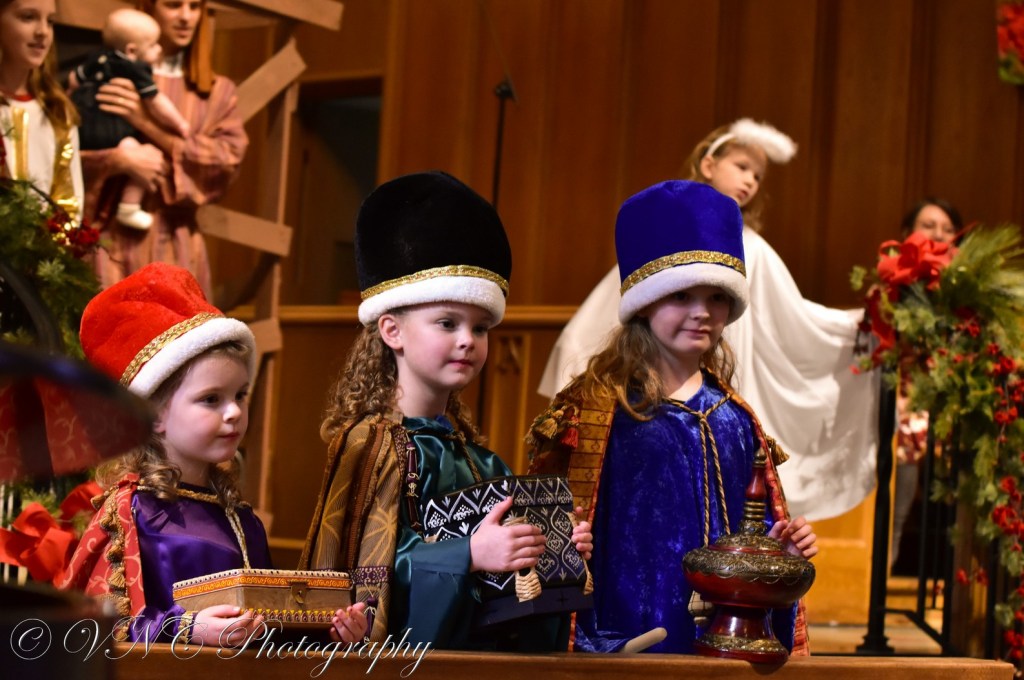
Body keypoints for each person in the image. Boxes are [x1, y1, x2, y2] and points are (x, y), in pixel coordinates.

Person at [299, 171, 593, 650]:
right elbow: (364, 579)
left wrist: (554, 554)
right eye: (447, 322)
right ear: (392, 330)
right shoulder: (370, 449)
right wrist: (468, 555)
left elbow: (508, 603)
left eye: (480, 328)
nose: (467, 340)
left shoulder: (480, 460)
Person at [527, 180, 818, 654]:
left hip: (723, 641)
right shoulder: (597, 410)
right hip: (626, 637)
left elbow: (754, 532)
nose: (702, 313)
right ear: (645, 303)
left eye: (716, 297)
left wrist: (780, 550)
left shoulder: (736, 419)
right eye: (681, 296)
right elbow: (554, 529)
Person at [538, 118, 878, 521]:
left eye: (758, 175)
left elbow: (798, 319)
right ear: (708, 163)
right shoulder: (663, 236)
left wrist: (865, 321)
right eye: (742, 166)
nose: (750, 180)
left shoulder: (754, 252)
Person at [59, 262, 367, 646]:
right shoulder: (129, 514)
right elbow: (93, 629)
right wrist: (185, 628)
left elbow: (266, 633)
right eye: (211, 399)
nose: (234, 411)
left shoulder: (241, 520)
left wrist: (330, 632)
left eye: (240, 395)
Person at [83, 0, 248, 298]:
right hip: (110, 239)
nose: (186, 17)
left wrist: (145, 123)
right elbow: (69, 146)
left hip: (176, 244)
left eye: (194, 6)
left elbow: (226, 162)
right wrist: (117, 160)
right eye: (173, 4)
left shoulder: (216, 91)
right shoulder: (112, 74)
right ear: (149, 7)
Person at [71, 8, 192, 231]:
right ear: (132, 50)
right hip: (112, 133)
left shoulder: (97, 57)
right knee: (145, 155)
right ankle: (129, 207)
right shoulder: (135, 69)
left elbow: (73, 80)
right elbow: (157, 102)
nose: (159, 49)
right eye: (153, 45)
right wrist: (180, 124)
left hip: (83, 128)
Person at [890, 198, 962, 568]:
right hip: (903, 399)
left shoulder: (967, 287)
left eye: (948, 229)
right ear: (908, 233)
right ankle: (885, 563)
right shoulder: (891, 280)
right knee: (903, 433)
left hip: (952, 400)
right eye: (929, 225)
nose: (939, 234)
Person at [0, 0, 83, 218]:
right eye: (28, 17)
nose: (43, 32)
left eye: (50, 21)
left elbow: (69, 204)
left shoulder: (57, 112)